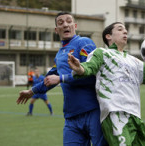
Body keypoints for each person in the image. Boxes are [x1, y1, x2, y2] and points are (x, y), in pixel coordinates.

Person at [17, 12, 107, 146]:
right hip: (71, 117)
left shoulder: (84, 42)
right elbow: (49, 79)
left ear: (75, 26)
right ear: (56, 30)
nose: (65, 24)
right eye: (60, 23)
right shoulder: (60, 54)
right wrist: (32, 91)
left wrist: (61, 78)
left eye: (69, 21)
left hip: (92, 110)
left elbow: (92, 74)